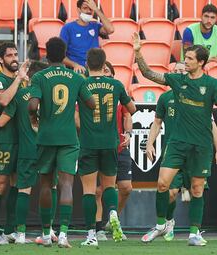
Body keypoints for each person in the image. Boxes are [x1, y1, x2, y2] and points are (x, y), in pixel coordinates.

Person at [133, 32, 217, 246]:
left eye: (189, 59)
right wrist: (138, 52)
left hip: (201, 145)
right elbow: (148, 73)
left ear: (201, 62)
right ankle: (161, 225)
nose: (185, 61)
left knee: (197, 189)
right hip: (177, 143)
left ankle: (195, 233)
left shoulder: (212, 84)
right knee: (162, 185)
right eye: (185, 58)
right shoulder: (177, 81)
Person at [28, 37, 95, 248]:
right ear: (64, 53)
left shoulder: (39, 77)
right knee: (67, 184)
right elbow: (91, 104)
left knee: (46, 185)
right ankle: (64, 234)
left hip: (46, 137)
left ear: (46, 54)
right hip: (68, 138)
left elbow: (32, 106)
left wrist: (34, 118)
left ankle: (47, 234)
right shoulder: (76, 78)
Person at [145, 64, 217, 242]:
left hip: (196, 149)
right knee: (170, 191)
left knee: (196, 189)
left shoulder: (198, 93)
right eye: (177, 70)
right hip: (174, 149)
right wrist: (150, 143)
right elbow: (157, 123)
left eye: (183, 69)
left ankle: (194, 233)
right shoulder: (165, 98)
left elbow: (211, 124)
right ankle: (167, 221)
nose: (180, 73)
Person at [0, 61, 49, 244]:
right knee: (46, 187)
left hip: (24, 147)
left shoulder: (20, 95)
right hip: (44, 147)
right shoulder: (48, 95)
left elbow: (3, 120)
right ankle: (45, 232)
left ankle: (15, 232)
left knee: (19, 186)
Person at [77, 49, 136, 246]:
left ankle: (91, 235)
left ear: (87, 64)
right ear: (104, 65)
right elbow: (132, 109)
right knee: (110, 185)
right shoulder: (116, 84)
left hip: (88, 142)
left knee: (89, 190)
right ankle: (112, 212)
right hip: (111, 142)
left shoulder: (81, 84)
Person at [0, 43, 29, 244]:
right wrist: (19, 79)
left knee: (16, 183)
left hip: (21, 138)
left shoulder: (21, 81)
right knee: (0, 183)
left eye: (15, 54)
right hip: (3, 140)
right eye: (9, 55)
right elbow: (3, 100)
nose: (14, 58)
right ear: (1, 60)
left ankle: (10, 230)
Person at [94, 61, 133, 241]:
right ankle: (98, 228)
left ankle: (112, 219)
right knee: (99, 189)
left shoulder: (119, 91)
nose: (104, 73)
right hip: (98, 145)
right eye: (102, 69)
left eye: (107, 70)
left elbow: (128, 114)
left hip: (119, 145)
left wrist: (128, 133)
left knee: (125, 187)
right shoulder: (90, 90)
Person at [60, 0, 114, 73]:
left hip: (95, 70)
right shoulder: (68, 28)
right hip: (76, 71)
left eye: (91, 9)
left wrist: (97, 10)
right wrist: (75, 65)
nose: (88, 11)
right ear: (78, 10)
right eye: (85, 8)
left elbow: (110, 30)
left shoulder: (95, 25)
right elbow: (60, 55)